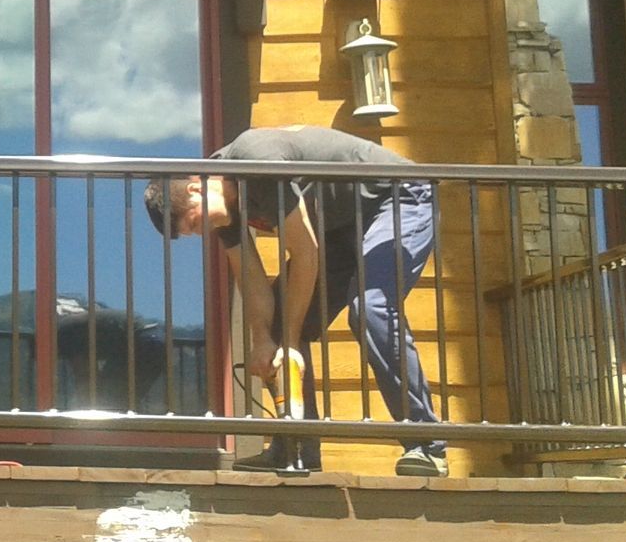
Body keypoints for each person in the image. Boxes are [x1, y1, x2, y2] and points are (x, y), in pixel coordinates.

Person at [142, 125, 445, 477]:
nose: (202, 232)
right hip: (337, 230)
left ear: (197, 187)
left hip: (397, 198)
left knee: (370, 307)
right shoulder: (224, 208)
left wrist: (288, 344)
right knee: (277, 321)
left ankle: (427, 445)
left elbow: (304, 252)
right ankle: (296, 447)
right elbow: (251, 279)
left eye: (194, 222)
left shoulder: (255, 158)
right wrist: (264, 339)